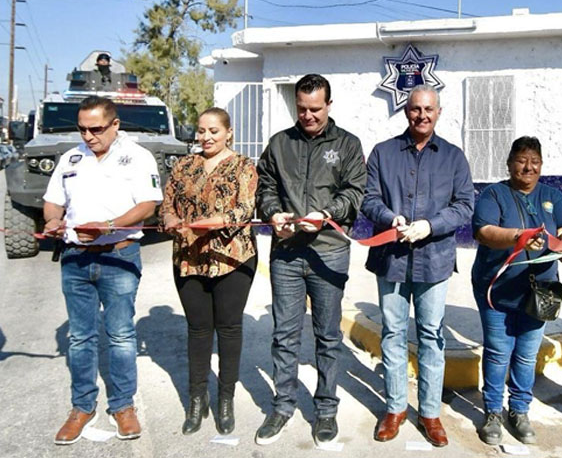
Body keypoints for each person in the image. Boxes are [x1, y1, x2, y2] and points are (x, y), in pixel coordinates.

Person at [255, 74, 367, 445]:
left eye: (315, 109)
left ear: (329, 105)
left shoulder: (348, 145)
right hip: (286, 254)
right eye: (301, 109)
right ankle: (283, 406)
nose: (308, 116)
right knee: (284, 335)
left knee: (327, 335)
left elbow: (355, 192)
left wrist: (326, 213)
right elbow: (265, 185)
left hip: (329, 252)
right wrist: (273, 213)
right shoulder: (279, 143)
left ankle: (325, 410)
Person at [361, 84, 474, 447]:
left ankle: (429, 412)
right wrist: (389, 217)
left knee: (431, 335)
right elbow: (369, 198)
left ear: (438, 112)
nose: (421, 115)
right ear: (405, 111)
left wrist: (431, 225)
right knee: (392, 334)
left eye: (428, 109)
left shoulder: (454, 157)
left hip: (435, 261)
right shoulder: (383, 152)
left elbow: (465, 205)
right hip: (390, 260)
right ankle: (395, 408)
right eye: (415, 109)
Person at [44, 96, 162, 444]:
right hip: (75, 259)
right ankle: (82, 407)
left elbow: (148, 205)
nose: (88, 135)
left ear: (115, 125)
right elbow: (53, 200)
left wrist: (108, 226)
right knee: (80, 338)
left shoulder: (138, 157)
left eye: (96, 129)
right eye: (82, 128)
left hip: (118, 258)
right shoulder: (71, 157)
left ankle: (123, 406)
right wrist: (52, 219)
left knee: (121, 336)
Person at [471, 136, 562, 445]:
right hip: (497, 289)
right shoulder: (494, 194)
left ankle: (519, 410)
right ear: (509, 164)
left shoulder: (552, 195)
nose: (528, 167)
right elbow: (485, 232)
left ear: (542, 165)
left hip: (541, 291)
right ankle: (492, 411)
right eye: (521, 160)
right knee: (497, 352)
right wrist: (519, 236)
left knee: (527, 354)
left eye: (535, 161)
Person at [161, 107, 258, 436]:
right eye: (202, 131)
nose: (206, 137)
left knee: (229, 329)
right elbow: (168, 202)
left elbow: (246, 207)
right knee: (198, 330)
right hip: (189, 258)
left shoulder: (244, 166)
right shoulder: (184, 165)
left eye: (214, 131)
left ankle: (225, 400)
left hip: (232, 259)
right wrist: (171, 219)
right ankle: (196, 398)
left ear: (228, 132)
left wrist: (215, 223)